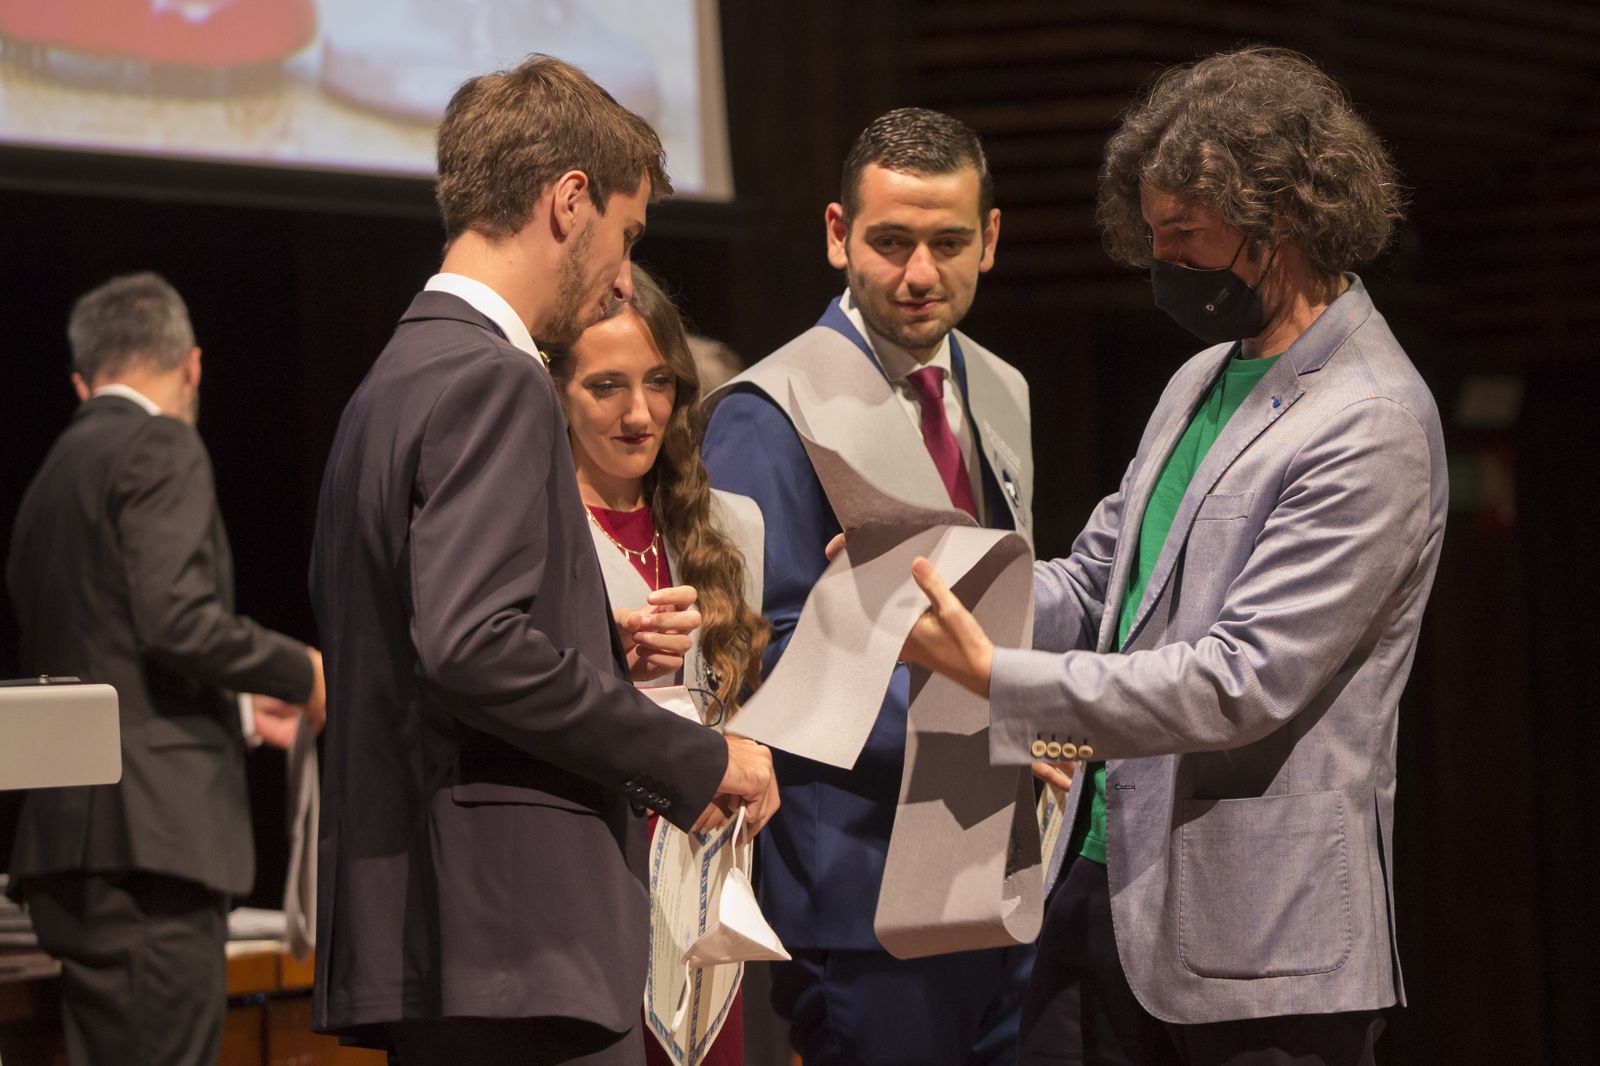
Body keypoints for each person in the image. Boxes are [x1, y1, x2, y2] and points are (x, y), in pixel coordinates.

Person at [901, 47, 1445, 1066]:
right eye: (1151, 238)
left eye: (1185, 238)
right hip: (1105, 894)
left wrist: (993, 677)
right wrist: (934, 579)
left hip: (1258, 954)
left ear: (1279, 217)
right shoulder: (1202, 376)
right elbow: (1101, 581)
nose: (1164, 267)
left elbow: (1241, 680)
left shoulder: (1369, 419)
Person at [308, 55, 777, 1066]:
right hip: (517, 933)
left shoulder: (390, 380)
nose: (621, 274)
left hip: (437, 934)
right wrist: (699, 758)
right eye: (626, 235)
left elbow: (420, 634)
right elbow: (472, 648)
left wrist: (592, 641)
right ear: (570, 201)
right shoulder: (499, 379)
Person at [701, 107, 1036, 1066]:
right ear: (838, 234)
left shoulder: (1001, 388)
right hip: (858, 880)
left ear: (991, 240)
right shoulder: (766, 410)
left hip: (990, 863)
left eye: (948, 242)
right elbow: (760, 645)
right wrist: (1007, 710)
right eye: (891, 242)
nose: (920, 273)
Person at [5, 271, 327, 1066]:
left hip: (70, 845)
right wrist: (304, 669)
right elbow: (175, 620)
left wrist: (248, 713)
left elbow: (101, 647)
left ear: (85, 379)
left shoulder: (50, 477)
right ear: (191, 366)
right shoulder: (161, 443)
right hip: (151, 848)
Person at [545, 265, 770, 1066]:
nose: (639, 413)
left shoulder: (729, 524)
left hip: (706, 870)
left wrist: (753, 747)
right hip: (593, 865)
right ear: (558, 391)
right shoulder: (540, 524)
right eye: (606, 386)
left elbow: (743, 703)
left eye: (659, 383)